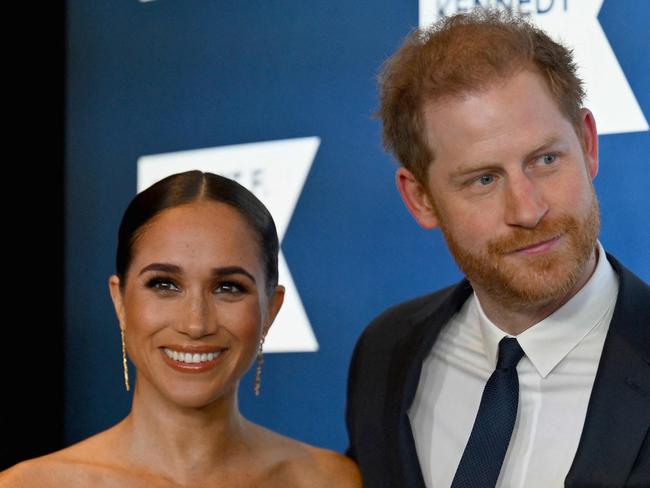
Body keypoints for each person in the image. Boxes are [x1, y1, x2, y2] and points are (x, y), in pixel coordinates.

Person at [346, 9, 649, 488]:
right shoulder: (386, 353)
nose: (528, 210)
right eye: (483, 179)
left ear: (588, 144)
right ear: (421, 198)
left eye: (546, 159)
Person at [1, 171, 361, 487]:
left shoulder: (333, 481)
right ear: (120, 302)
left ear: (271, 309)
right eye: (164, 284)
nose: (195, 323)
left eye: (228, 287)